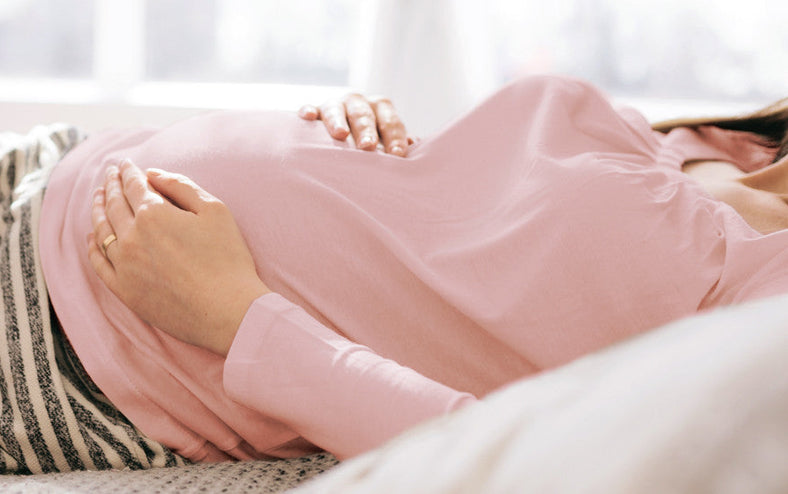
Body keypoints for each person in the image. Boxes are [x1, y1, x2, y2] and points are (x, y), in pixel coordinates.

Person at [0, 75, 787, 474]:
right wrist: (356, 117)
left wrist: (240, 316)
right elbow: (470, 227)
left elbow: (517, 457)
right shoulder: (741, 139)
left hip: (66, 365)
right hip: (31, 176)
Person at [45, 74, 788, 463]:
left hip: (89, 358)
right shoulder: (744, 142)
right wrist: (358, 135)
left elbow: (537, 462)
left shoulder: (770, 312)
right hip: (57, 170)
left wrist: (241, 321)